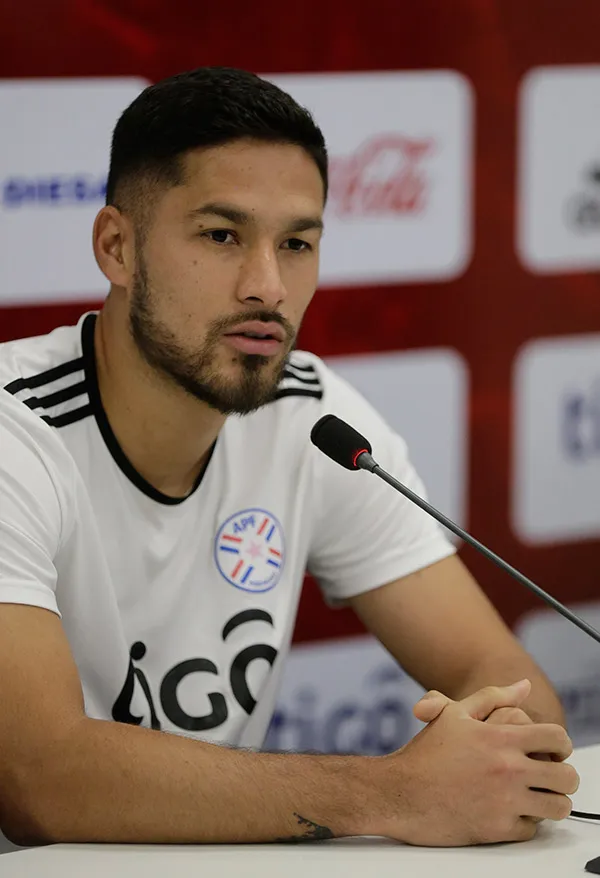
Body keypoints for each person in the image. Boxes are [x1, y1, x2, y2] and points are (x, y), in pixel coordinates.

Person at [0, 67, 578, 849]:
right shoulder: (15, 429)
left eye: (297, 243)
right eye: (222, 235)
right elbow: (38, 778)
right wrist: (393, 792)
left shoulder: (310, 412)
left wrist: (498, 747)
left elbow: (503, 677)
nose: (268, 287)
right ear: (117, 247)